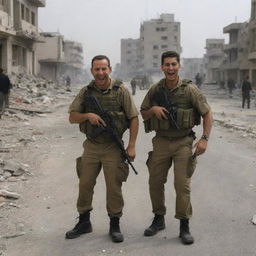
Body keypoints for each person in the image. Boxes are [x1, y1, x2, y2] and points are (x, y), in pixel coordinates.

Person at [140, 51, 212, 245]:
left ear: (179, 66)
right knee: (155, 182)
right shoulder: (155, 89)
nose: (170, 68)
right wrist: (153, 110)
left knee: (182, 185)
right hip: (161, 141)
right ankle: (158, 218)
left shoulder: (190, 90)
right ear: (162, 67)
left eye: (174, 64)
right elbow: (143, 112)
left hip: (183, 143)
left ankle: (184, 224)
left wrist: (204, 138)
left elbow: (207, 113)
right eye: (167, 65)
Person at [66, 55, 139, 243]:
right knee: (85, 184)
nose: (100, 73)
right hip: (92, 145)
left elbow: (133, 118)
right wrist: (87, 115)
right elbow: (72, 116)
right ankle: (84, 222)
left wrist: (131, 145)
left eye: (104, 69)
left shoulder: (121, 91)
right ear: (91, 71)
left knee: (114, 187)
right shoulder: (86, 92)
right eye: (97, 69)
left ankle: (114, 224)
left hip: (113, 147)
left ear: (109, 70)